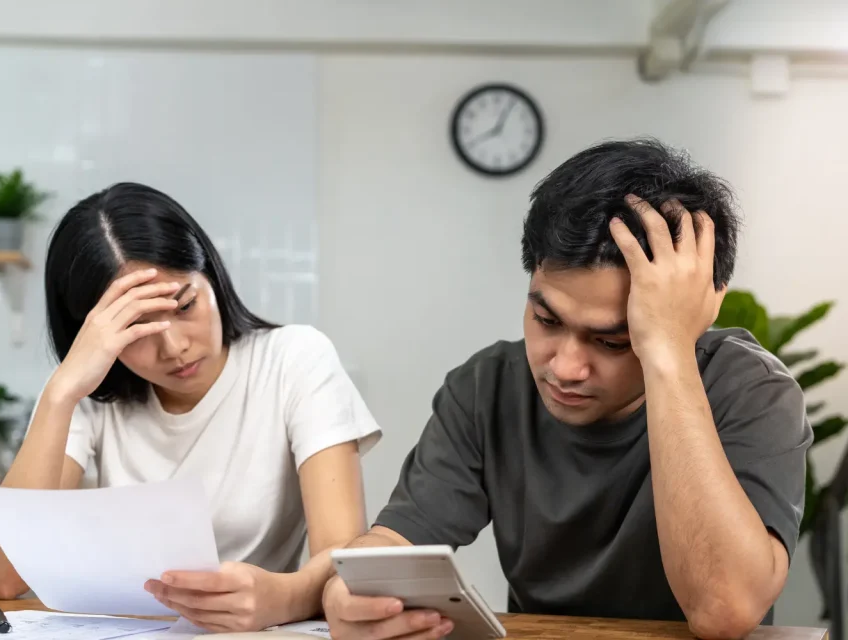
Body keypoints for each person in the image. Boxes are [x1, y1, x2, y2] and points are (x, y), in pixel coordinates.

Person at [321, 138, 811, 640]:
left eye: (613, 340)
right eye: (546, 319)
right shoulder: (486, 387)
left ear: (696, 309)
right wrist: (351, 592)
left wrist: (667, 351)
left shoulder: (752, 391)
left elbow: (724, 609)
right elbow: (394, 542)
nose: (566, 367)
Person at [0, 182, 382, 633]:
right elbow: (7, 578)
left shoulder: (294, 359)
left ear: (211, 274)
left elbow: (344, 555)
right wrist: (60, 394)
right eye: (135, 329)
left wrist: (283, 598)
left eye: (185, 304)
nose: (174, 347)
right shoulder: (87, 394)